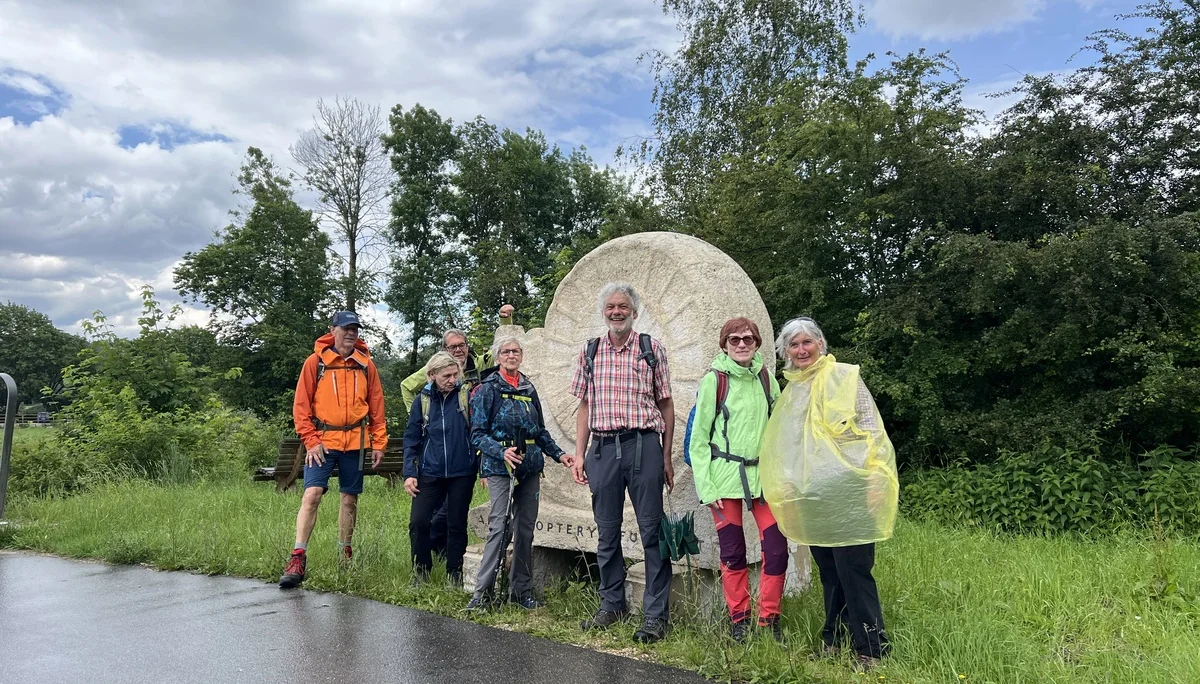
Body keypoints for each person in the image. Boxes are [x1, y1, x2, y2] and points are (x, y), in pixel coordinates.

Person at [760, 317, 899, 669]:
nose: (802, 350)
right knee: (829, 570)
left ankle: (871, 647)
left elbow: (871, 431)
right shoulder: (792, 391)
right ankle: (834, 638)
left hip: (851, 492)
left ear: (820, 343)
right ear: (786, 351)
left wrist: (875, 482)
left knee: (854, 568)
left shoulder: (844, 377)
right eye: (794, 345)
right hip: (814, 497)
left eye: (807, 342)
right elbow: (786, 448)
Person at [569, 282, 675, 644]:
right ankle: (612, 603)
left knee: (651, 530)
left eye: (623, 306)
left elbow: (666, 404)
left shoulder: (651, 349)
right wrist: (580, 453)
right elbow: (583, 405)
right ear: (604, 312)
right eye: (611, 306)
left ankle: (656, 616)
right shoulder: (590, 351)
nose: (617, 312)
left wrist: (665, 456)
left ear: (634, 311)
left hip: (643, 443)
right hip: (601, 447)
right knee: (607, 531)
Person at [688, 317, 786, 642]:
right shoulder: (713, 381)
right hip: (723, 476)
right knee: (733, 551)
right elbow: (699, 440)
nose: (741, 344)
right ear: (724, 344)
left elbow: (780, 429)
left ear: (757, 343)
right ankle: (739, 620)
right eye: (734, 339)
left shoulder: (766, 379)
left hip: (762, 477)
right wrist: (706, 486)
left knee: (777, 547)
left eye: (747, 339)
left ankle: (768, 620)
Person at [464, 336, 574, 611]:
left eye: (515, 351)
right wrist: (501, 453)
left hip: (531, 466)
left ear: (521, 356)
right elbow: (477, 434)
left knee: (526, 529)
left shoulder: (528, 386)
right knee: (499, 526)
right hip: (500, 467)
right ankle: (482, 593)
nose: (511, 355)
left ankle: (521, 590)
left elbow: (540, 431)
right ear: (498, 357)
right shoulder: (487, 388)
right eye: (505, 351)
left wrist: (560, 455)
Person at [280, 311, 387, 589]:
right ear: (333, 330)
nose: (351, 333)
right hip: (323, 441)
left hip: (356, 442)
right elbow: (301, 407)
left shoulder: (366, 365)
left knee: (349, 500)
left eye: (355, 329)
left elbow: (377, 407)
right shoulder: (315, 363)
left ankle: (344, 553)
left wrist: (379, 442)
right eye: (346, 328)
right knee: (312, 494)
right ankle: (298, 556)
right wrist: (311, 440)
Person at [399, 305, 513, 556]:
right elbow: (407, 387)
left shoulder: (477, 366)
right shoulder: (429, 386)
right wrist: (422, 418)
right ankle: (429, 562)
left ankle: (450, 564)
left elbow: (502, 353)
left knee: (452, 517)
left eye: (462, 345)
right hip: (434, 461)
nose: (459, 350)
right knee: (427, 517)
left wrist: (506, 321)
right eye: (453, 347)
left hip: (462, 461)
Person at [402, 352, 476, 585]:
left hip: (462, 471)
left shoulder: (466, 397)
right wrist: (409, 474)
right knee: (418, 521)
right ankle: (421, 571)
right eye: (446, 375)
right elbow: (411, 439)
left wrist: (482, 467)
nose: (452, 379)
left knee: (456, 523)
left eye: (455, 374)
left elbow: (477, 432)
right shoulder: (421, 401)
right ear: (432, 375)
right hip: (429, 471)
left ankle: (454, 572)